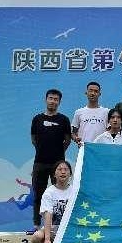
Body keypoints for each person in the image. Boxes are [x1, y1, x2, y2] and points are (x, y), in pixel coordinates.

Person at [92, 108, 122, 243]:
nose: (115, 120)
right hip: (105, 185)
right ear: (108, 120)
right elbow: (94, 158)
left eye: (118, 117)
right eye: (112, 117)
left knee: (119, 217)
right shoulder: (100, 139)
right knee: (104, 216)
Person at [31, 160, 85, 243]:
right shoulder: (49, 192)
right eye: (59, 169)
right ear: (54, 174)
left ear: (70, 174)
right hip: (53, 233)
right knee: (37, 237)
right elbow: (48, 215)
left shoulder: (75, 191)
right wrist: (47, 239)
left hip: (71, 234)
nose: (63, 172)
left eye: (66, 169)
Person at [29, 89, 72, 229]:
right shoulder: (37, 119)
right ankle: (36, 225)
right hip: (40, 163)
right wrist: (43, 150)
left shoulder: (64, 120)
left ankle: (57, 226)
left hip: (57, 164)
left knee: (59, 195)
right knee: (38, 195)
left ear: (59, 102)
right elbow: (34, 139)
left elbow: (67, 140)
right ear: (46, 99)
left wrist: (58, 153)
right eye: (51, 98)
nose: (53, 101)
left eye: (56, 99)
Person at [71, 81, 109, 148]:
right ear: (86, 93)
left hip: (102, 148)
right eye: (90, 91)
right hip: (84, 148)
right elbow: (73, 133)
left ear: (99, 94)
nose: (93, 93)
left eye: (96, 91)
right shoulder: (78, 112)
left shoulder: (106, 112)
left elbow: (111, 132)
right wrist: (76, 139)